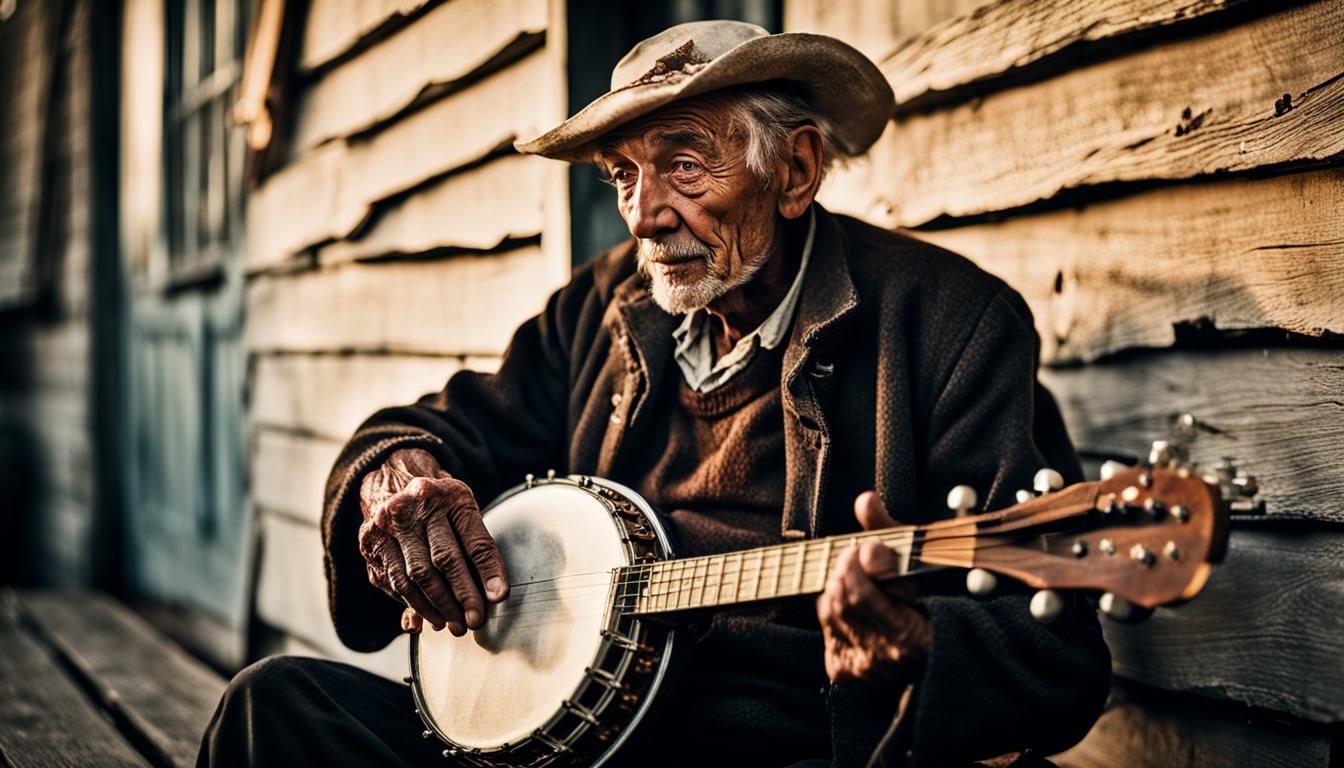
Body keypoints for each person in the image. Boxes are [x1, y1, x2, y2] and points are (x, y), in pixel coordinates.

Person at [198, 20, 1109, 768]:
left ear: (794, 172)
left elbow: (1058, 653)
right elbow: (447, 426)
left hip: (781, 750)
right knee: (275, 708)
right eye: (624, 175)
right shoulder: (603, 308)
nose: (641, 214)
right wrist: (394, 476)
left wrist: (917, 645)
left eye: (682, 165)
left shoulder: (950, 323)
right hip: (567, 736)